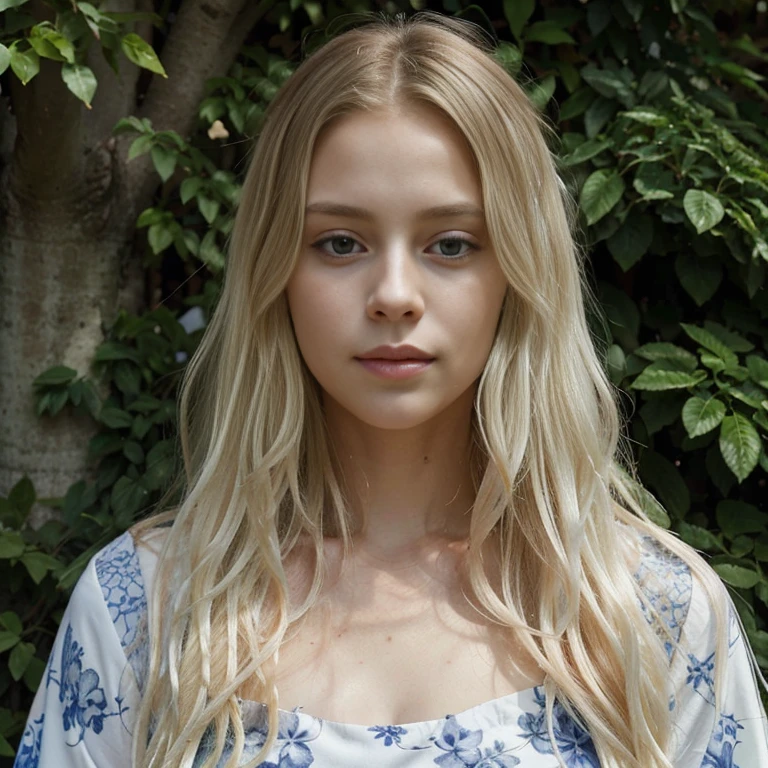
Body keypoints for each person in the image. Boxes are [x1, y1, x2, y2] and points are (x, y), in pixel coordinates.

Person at [13, 11, 768, 768]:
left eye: (451, 244)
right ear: (276, 269)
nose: (395, 294)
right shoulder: (145, 610)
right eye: (341, 242)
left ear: (519, 270)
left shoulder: (651, 618)